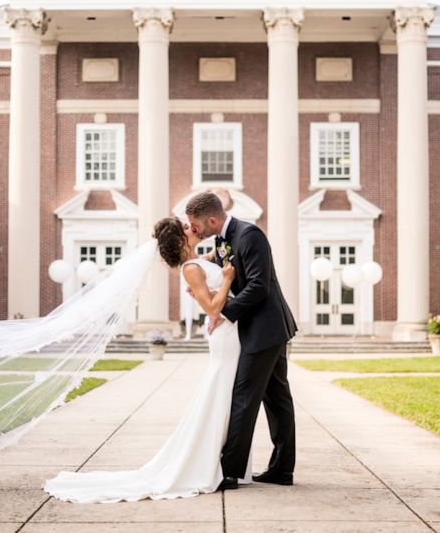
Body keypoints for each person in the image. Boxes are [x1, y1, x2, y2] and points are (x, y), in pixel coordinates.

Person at [42, 216, 252, 503]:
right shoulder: (191, 269)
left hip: (231, 332)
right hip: (225, 334)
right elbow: (213, 309)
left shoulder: (197, 261)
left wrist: (219, 273)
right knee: (222, 394)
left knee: (227, 395)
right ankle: (211, 462)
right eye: (186, 228)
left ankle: (223, 460)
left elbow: (211, 279)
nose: (193, 227)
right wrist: (226, 279)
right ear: (180, 240)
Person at [184, 192, 297, 491]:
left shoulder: (250, 235)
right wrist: (202, 288)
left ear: (211, 220)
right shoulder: (223, 239)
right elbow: (221, 271)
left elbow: (259, 286)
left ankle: (230, 472)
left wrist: (223, 313)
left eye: (194, 225)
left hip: (265, 329)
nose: (193, 230)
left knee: (245, 397)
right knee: (277, 399)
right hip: (262, 328)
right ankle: (282, 470)